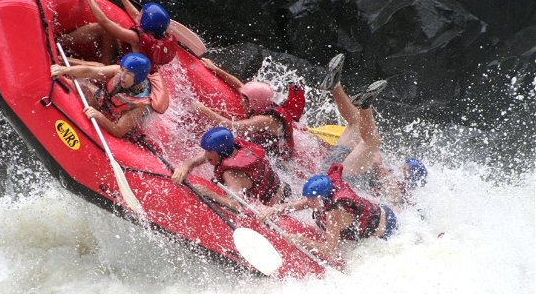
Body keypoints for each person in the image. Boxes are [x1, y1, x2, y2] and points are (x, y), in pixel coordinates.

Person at [318, 53, 428, 206]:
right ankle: (335, 85)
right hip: (335, 174)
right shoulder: (396, 181)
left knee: (372, 141)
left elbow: (391, 195)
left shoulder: (400, 191)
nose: (400, 167)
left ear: (408, 176)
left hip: (340, 186)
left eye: (404, 168)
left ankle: (364, 104)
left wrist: (379, 165)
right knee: (356, 123)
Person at [258, 164, 398, 261]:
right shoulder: (321, 199)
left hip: (385, 227)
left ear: (322, 198)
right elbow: (294, 205)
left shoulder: (334, 213)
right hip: (377, 209)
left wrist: (302, 241)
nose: (308, 202)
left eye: (312, 199)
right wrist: (274, 209)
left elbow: (330, 250)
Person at [193, 58, 306, 159]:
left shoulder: (265, 120)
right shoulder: (263, 101)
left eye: (245, 99)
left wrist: (203, 110)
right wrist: (215, 69)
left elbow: (230, 126)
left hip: (278, 159)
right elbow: (240, 86)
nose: (242, 101)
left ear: (254, 102)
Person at [60, 0, 177, 72]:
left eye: (142, 14)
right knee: (102, 30)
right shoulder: (155, 33)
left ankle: (58, 59)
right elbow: (136, 16)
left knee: (100, 66)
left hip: (120, 73)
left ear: (146, 23)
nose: (138, 14)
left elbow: (103, 21)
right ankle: (59, 41)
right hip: (123, 61)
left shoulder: (136, 38)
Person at [50, 52, 169, 138]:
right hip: (107, 104)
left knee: (84, 88)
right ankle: (55, 73)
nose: (122, 75)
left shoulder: (139, 105)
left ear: (138, 78)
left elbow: (118, 131)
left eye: (128, 73)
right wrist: (64, 70)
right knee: (83, 83)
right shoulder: (119, 71)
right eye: (122, 70)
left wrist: (99, 116)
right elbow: (90, 72)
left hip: (116, 121)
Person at [171, 127, 291, 210]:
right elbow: (195, 161)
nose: (206, 155)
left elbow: (238, 205)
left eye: (209, 151)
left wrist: (211, 194)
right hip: (280, 186)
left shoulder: (230, 174)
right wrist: (185, 166)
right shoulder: (231, 149)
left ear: (220, 151)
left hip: (276, 201)